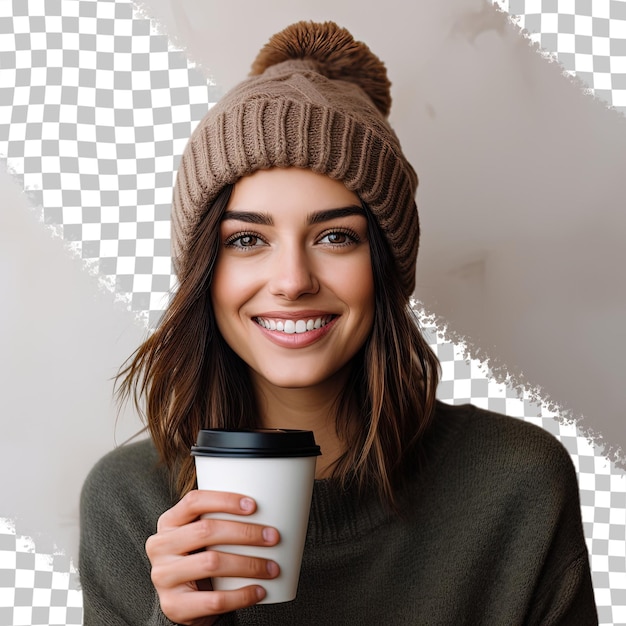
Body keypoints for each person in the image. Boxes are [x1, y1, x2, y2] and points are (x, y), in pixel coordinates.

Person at [79, 21, 598, 626]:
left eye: (335, 236)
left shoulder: (519, 485)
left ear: (384, 265)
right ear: (205, 273)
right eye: (247, 238)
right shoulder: (127, 504)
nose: (293, 279)